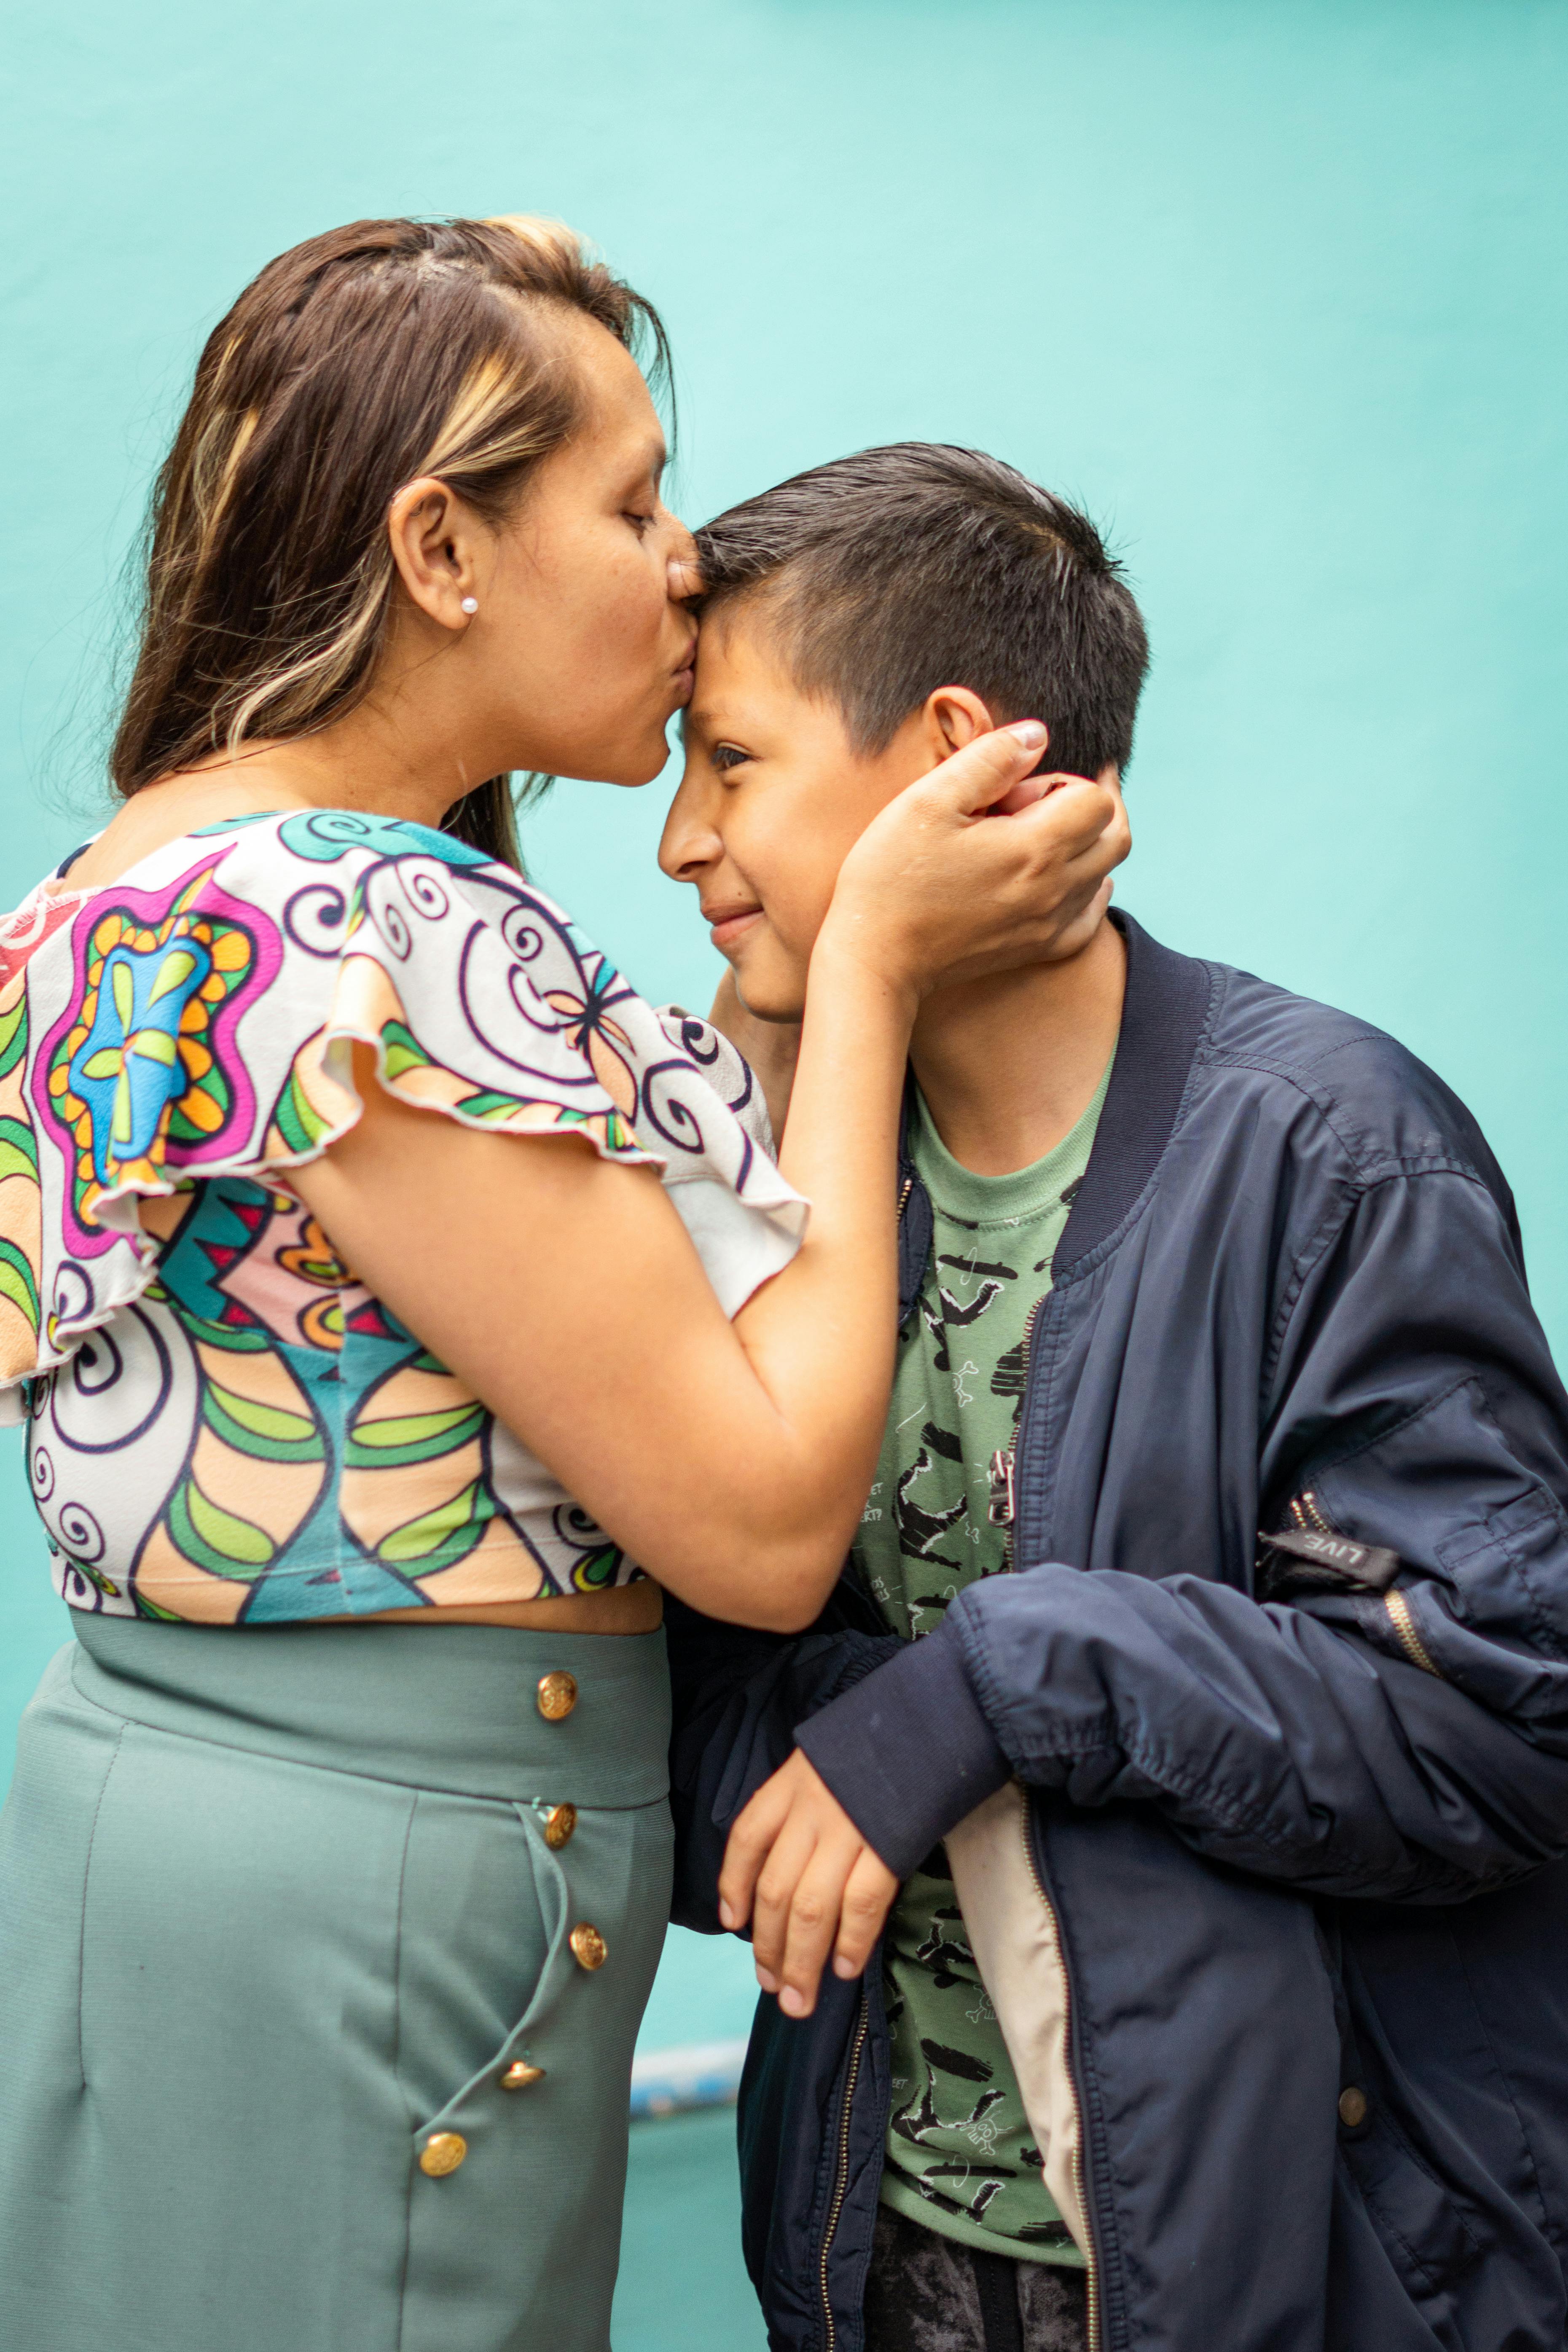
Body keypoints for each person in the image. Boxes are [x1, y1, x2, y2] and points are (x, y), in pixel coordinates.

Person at [0, 232, 1128, 2352]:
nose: (682, 565)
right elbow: (766, 1522)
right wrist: (872, 962)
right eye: (627, 504)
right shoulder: (385, 926)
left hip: (161, 1836)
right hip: (404, 1887)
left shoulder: (115, 888)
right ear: (442, 547)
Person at [659, 443, 1568, 2352]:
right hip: (858, 2255)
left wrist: (1010, 1680)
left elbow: (1502, 1733)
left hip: (1298, 2269)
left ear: (953, 755)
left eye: (728, 761)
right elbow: (688, 1746)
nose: (679, 841)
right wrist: (897, 1724)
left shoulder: (1335, 1154)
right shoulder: (761, 1173)